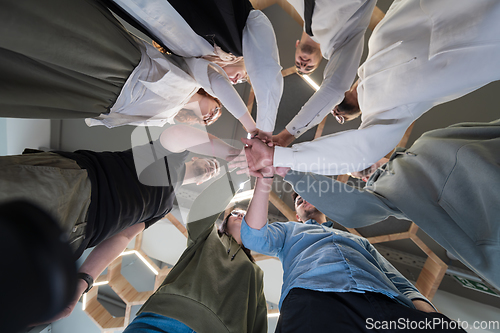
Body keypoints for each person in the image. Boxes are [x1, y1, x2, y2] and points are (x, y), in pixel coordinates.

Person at [0, 124, 232, 325]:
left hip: (73, 235)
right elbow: (179, 134)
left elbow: (122, 237)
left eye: (212, 173)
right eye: (212, 162)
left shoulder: (165, 207)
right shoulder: (169, 158)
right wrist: (232, 153)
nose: (212, 168)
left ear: (201, 182)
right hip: (73, 188)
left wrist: (83, 282)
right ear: (195, 157)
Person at [246, 0, 500, 175]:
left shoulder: (365, 44)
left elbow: (334, 88)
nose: (335, 111)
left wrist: (287, 135)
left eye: (305, 67)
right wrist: (281, 155)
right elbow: (362, 151)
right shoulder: (388, 112)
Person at [280, 119, 500, 291]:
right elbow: (355, 210)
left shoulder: (430, 138)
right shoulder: (387, 193)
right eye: (347, 166)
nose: (352, 163)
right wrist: (287, 169)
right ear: (362, 180)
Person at [240, 172, 465, 332]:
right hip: (314, 300)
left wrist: (431, 317)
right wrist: (264, 180)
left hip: (383, 300)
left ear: (324, 204)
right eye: (298, 199)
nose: (302, 198)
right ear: (297, 215)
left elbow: (399, 281)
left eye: (306, 194)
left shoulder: (359, 240)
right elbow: (253, 236)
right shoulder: (289, 231)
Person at [0, 0, 258, 133]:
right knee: (43, 33)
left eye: (209, 120)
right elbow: (216, 80)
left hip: (98, 100)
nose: (211, 116)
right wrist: (249, 125)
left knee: (28, 78)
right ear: (214, 97)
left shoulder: (166, 121)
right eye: (217, 111)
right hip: (117, 60)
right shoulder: (194, 74)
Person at [109, 0, 284, 139]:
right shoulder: (241, 35)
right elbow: (266, 69)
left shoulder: (193, 63)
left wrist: (253, 129)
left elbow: (216, 81)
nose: (237, 80)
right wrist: (262, 130)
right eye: (245, 77)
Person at [123, 175, 267, 333]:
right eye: (234, 213)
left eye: (244, 216)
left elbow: (257, 318)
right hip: (166, 315)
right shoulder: (206, 235)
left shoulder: (255, 272)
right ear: (224, 222)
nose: (239, 215)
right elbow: (202, 210)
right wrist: (239, 174)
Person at [272, 0, 377, 147]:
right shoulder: (341, 42)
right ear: (322, 57)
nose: (303, 64)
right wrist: (286, 135)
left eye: (298, 65)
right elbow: (334, 88)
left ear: (296, 46)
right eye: (308, 68)